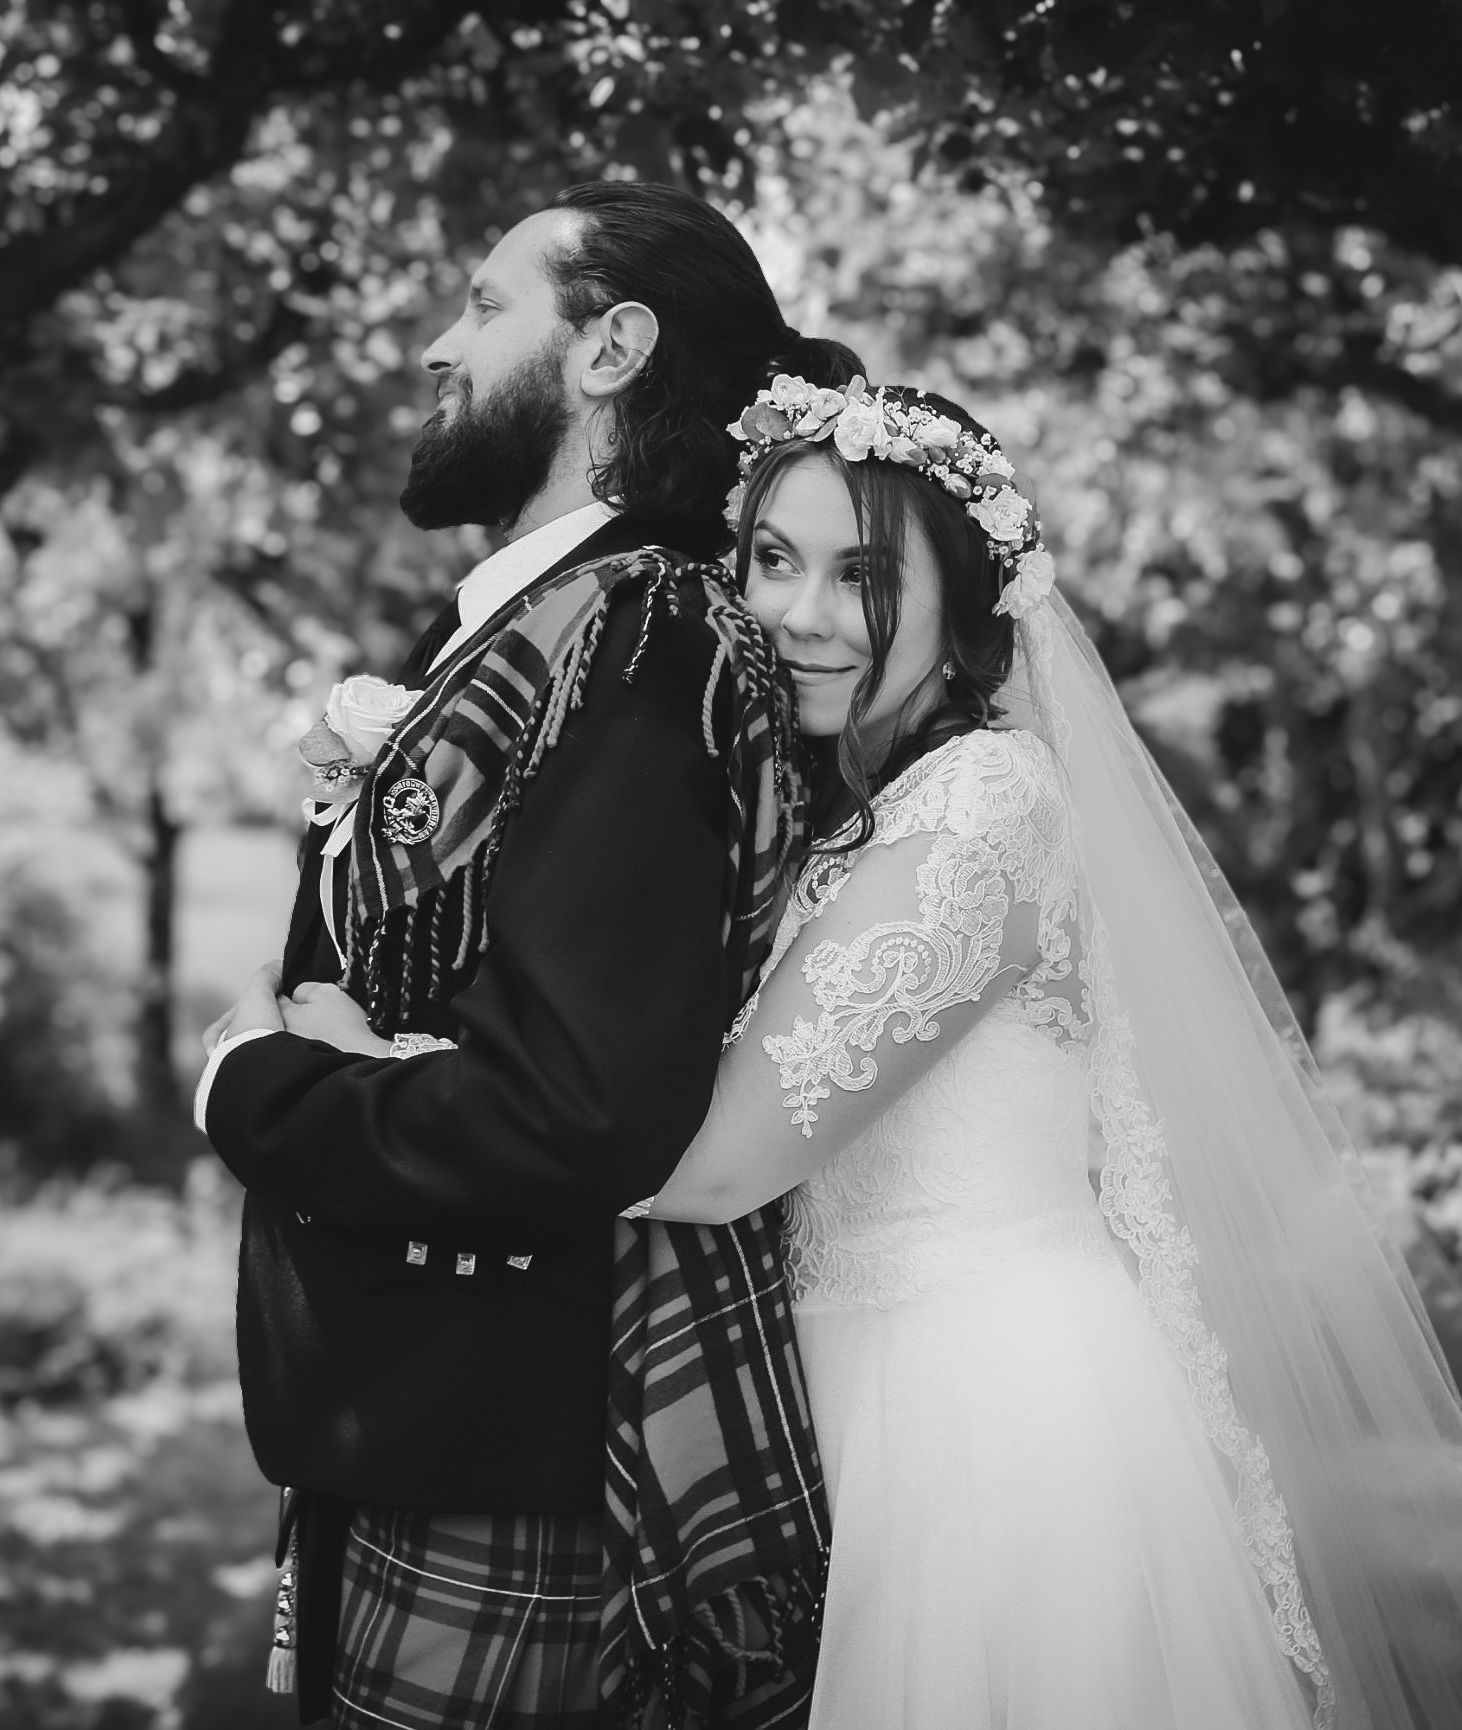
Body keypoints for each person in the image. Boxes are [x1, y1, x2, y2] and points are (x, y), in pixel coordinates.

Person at [626, 376, 1462, 1727]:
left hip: (992, 1416)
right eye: (771, 560)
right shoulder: (851, 805)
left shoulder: (981, 804)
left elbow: (721, 1161)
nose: (797, 614)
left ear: (962, 609)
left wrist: (406, 1084)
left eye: (860, 575)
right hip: (866, 1391)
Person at [195, 184, 861, 1728]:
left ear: (611, 347)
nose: (439, 343)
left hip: (522, 1455)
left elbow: (571, 1106)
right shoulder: (559, 621)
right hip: (414, 1415)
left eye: (484, 306)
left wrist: (253, 1084)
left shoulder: (644, 634)